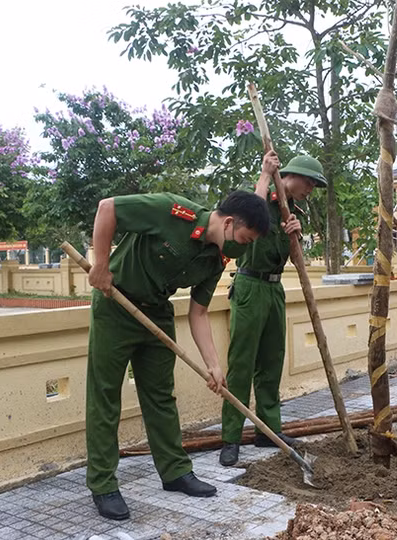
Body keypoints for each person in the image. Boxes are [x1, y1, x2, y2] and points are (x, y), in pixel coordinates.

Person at [86, 190, 269, 520]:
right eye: (245, 238)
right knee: (105, 397)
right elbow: (107, 208)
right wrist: (101, 265)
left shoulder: (216, 260)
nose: (245, 248)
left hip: (157, 313)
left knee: (160, 397)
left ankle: (174, 472)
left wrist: (213, 365)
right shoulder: (171, 212)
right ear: (229, 223)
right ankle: (103, 485)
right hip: (116, 305)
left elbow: (198, 313)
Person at [219, 150, 327, 467]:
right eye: (309, 183)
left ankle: (268, 430)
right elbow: (248, 217)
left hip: (274, 289)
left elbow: (295, 259)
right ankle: (231, 437)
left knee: (271, 362)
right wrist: (265, 173)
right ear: (291, 177)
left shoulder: (291, 213)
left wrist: (294, 235)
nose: (310, 190)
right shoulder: (262, 200)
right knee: (241, 363)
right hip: (250, 287)